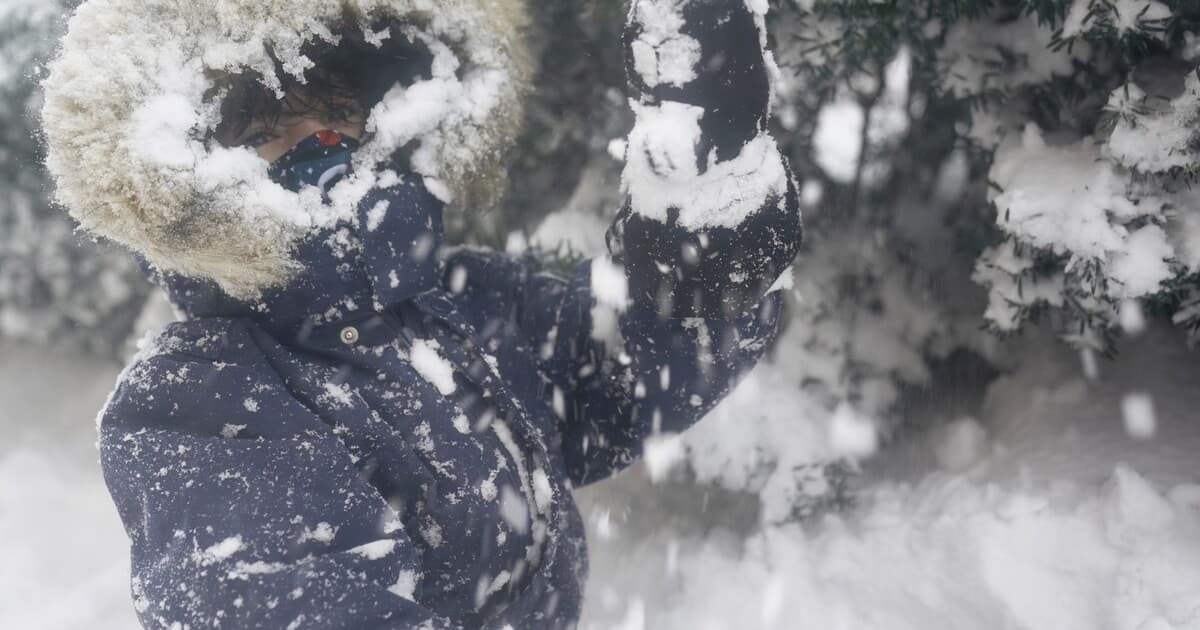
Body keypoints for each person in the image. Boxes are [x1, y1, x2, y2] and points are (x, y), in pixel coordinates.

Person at [41, 0, 801, 627]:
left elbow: (625, 375)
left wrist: (703, 209)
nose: (322, 144)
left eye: (337, 112)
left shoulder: (464, 298)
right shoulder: (197, 399)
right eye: (264, 131)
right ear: (184, 173)